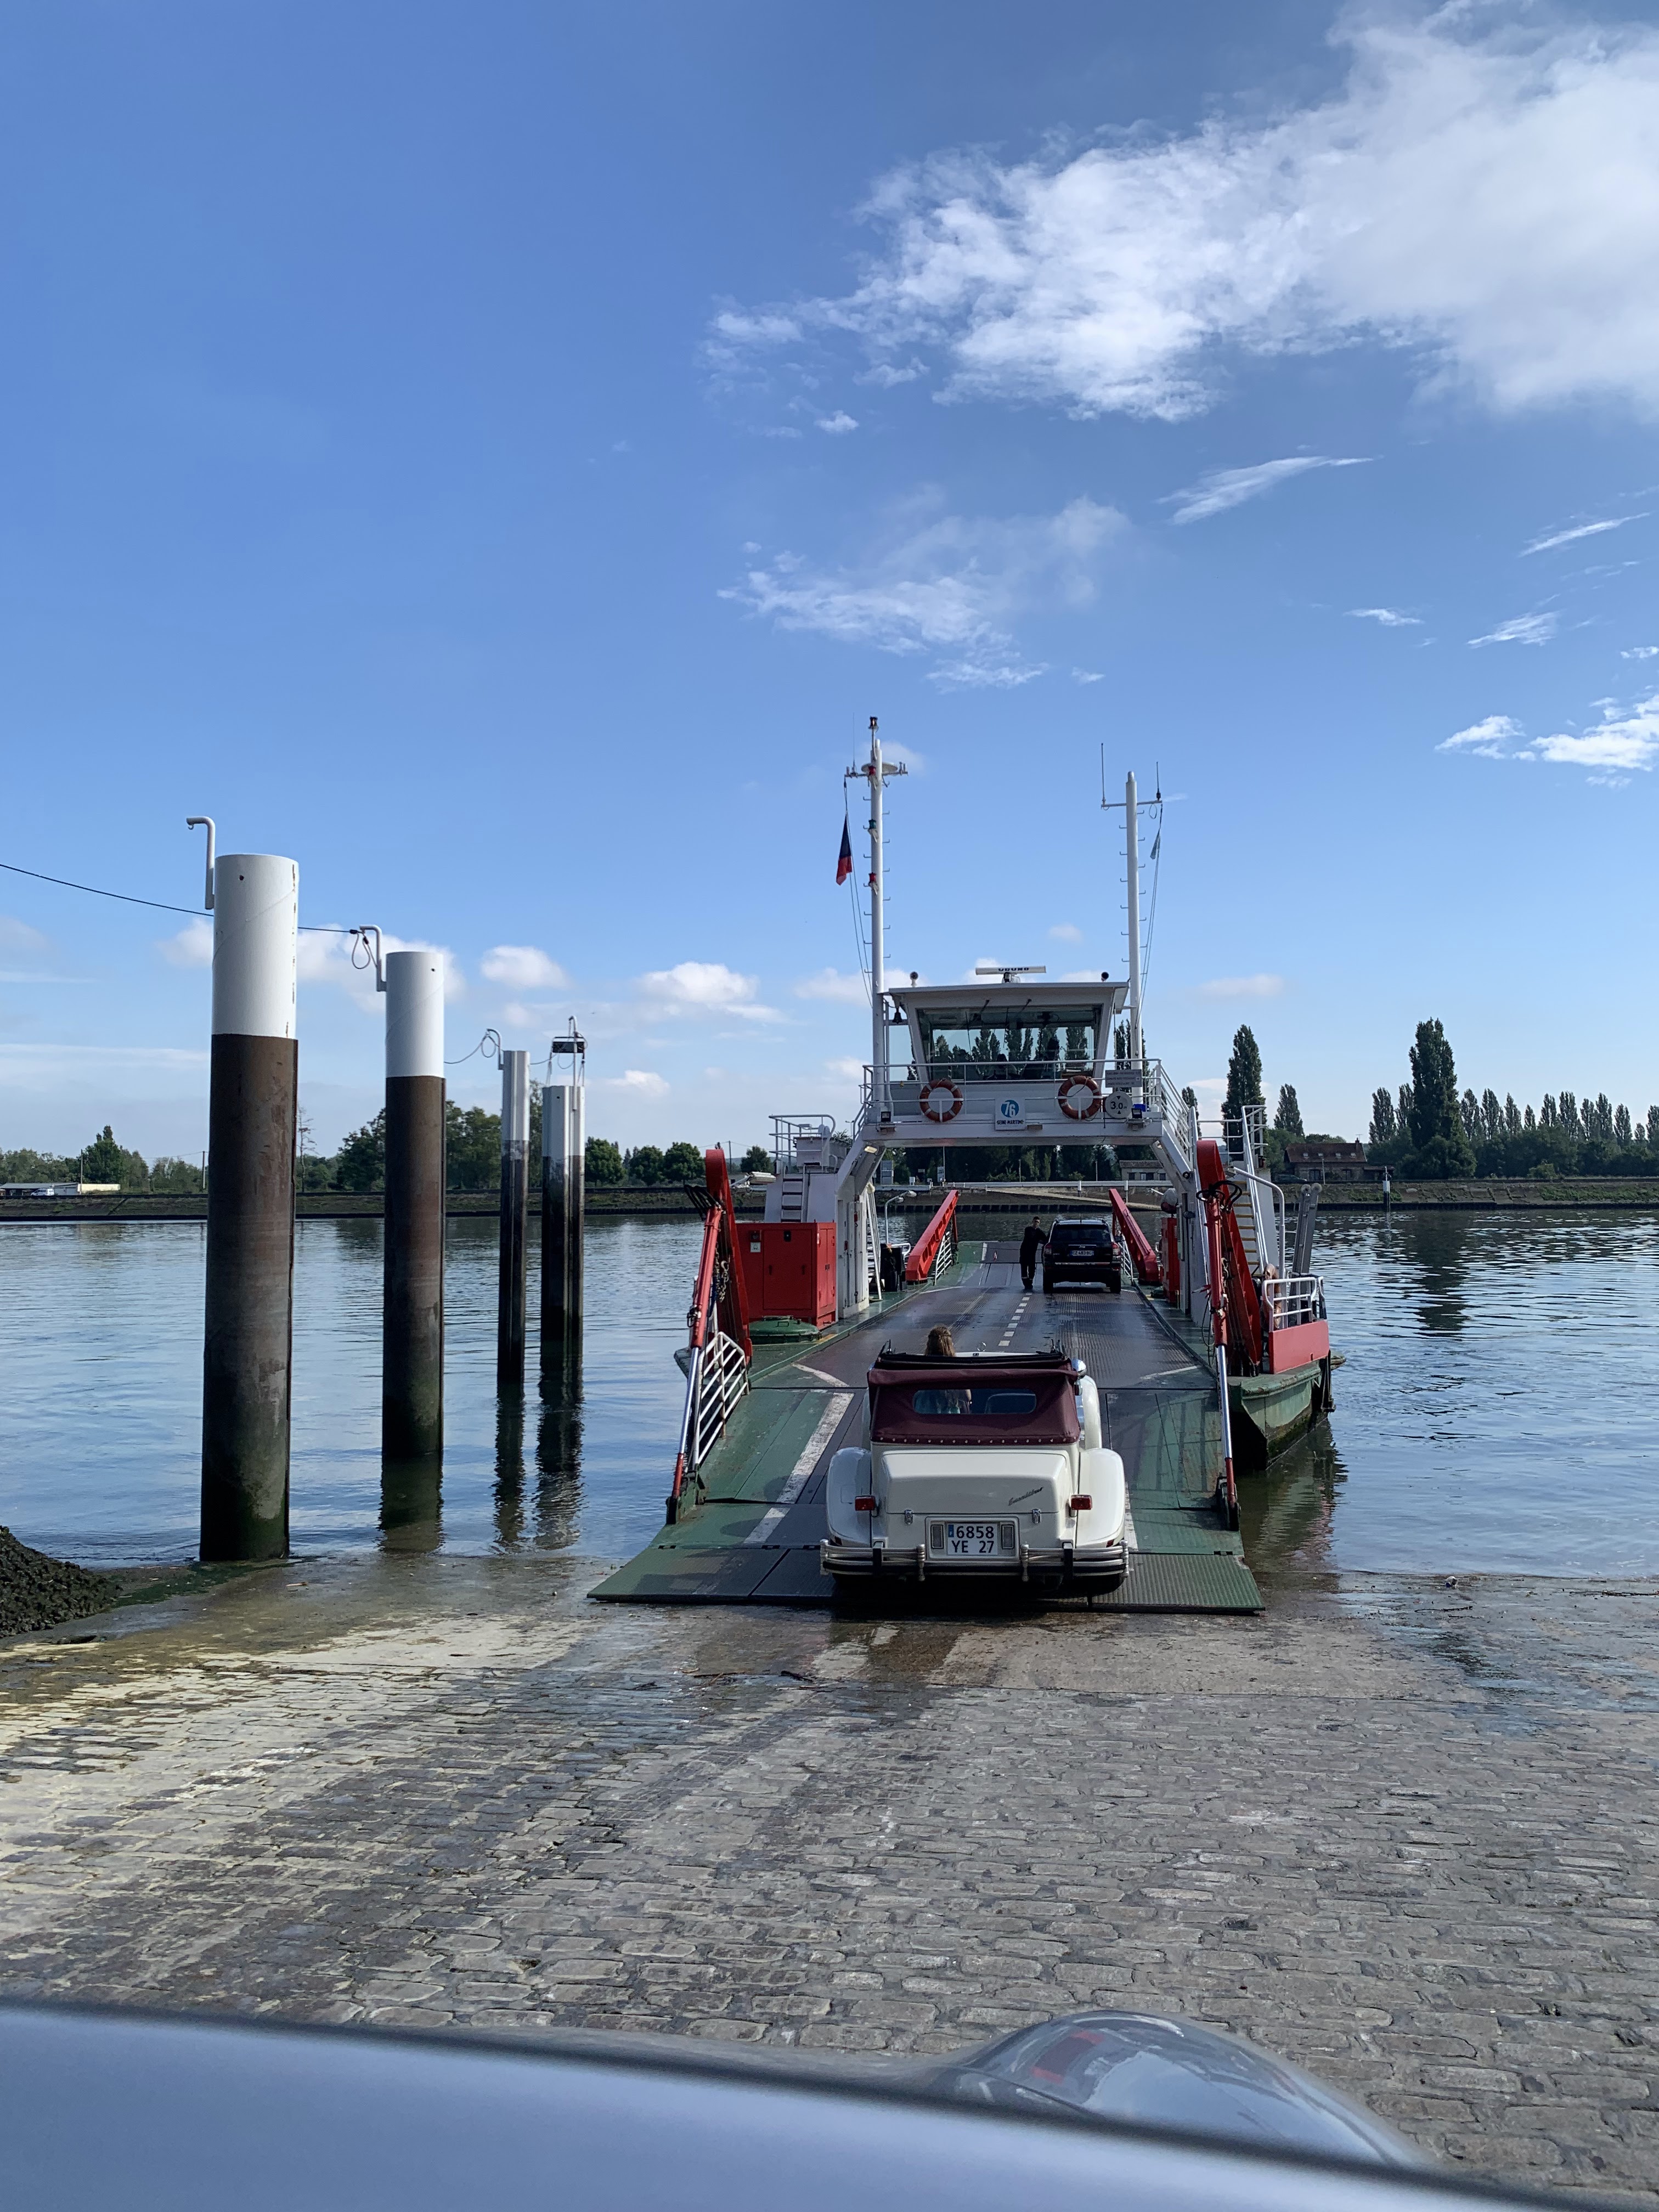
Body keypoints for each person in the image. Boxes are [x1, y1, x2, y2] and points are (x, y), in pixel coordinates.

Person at [1019, 1215, 1046, 1293]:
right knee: (1024, 1267)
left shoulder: (1040, 1232)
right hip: (1024, 1252)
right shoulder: (1028, 1229)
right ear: (1033, 1222)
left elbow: (1045, 1239)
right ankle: (1026, 1283)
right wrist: (1039, 1240)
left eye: (1038, 1222)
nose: (1036, 1223)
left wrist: (1042, 1241)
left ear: (1039, 1223)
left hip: (1032, 1253)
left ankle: (1030, 1282)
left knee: (1032, 1268)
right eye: (1035, 1222)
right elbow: (1031, 1237)